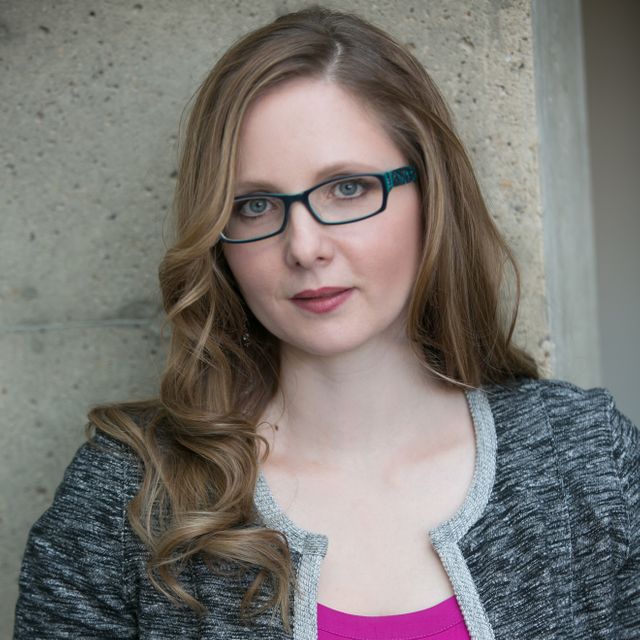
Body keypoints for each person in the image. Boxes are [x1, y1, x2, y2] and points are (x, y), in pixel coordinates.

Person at [13, 6, 639, 640]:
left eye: (347, 188)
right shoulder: (128, 497)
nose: (305, 247)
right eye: (255, 205)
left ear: (432, 194)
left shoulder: (588, 460)